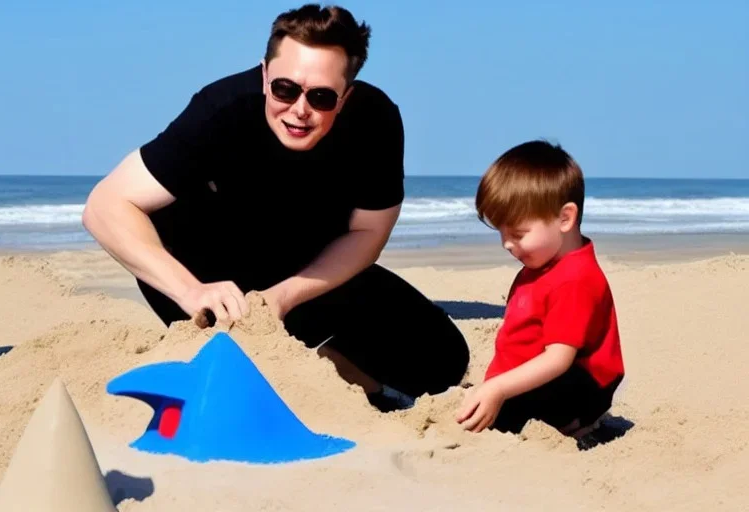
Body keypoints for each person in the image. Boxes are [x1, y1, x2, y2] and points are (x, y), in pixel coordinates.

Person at [82, 3, 469, 412]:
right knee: (159, 215)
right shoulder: (222, 109)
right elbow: (106, 205)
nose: (299, 109)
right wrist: (190, 290)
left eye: (321, 97)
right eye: (285, 89)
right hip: (211, 283)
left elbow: (368, 234)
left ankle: (338, 373)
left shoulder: (376, 121)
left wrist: (282, 298)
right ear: (265, 75)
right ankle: (220, 358)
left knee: (443, 360)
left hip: (306, 275)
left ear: (346, 96)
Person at [455, 140, 625, 437]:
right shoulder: (540, 267)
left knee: (495, 418)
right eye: (502, 233)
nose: (507, 244)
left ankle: (578, 425)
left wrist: (498, 387)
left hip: (578, 385)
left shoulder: (574, 278)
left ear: (564, 218)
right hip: (548, 377)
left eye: (518, 234)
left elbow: (558, 359)